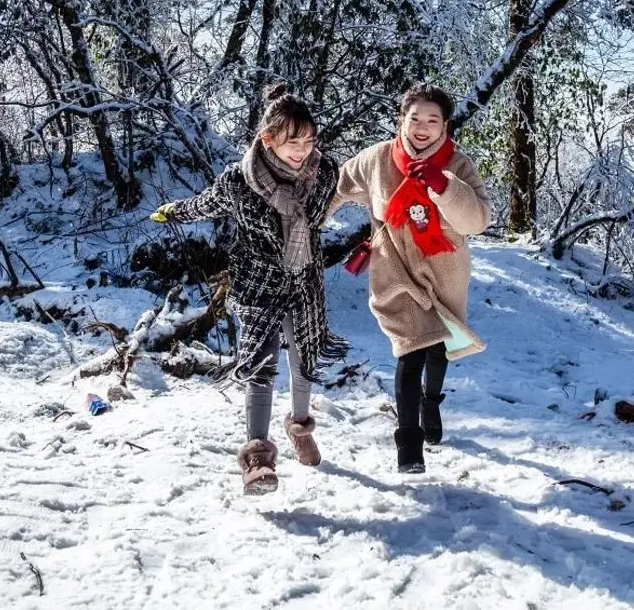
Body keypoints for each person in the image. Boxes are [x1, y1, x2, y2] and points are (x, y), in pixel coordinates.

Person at [150, 84, 343, 494]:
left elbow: (355, 190)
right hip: (258, 283)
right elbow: (205, 203)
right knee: (262, 362)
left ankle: (301, 427)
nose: (303, 150)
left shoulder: (324, 174)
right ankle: (258, 456)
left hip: (305, 279)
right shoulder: (240, 180)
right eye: (293, 141)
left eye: (309, 141)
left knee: (304, 356)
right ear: (267, 138)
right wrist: (174, 212)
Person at [330, 83, 491, 473]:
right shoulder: (377, 159)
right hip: (395, 269)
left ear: (444, 126)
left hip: (445, 271)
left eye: (432, 120)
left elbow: (478, 221)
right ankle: (409, 447)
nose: (422, 127)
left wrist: (444, 186)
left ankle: (431, 402)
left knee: (439, 349)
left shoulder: (459, 165)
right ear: (401, 119)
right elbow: (335, 188)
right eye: (414, 118)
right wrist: (301, 222)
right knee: (411, 348)